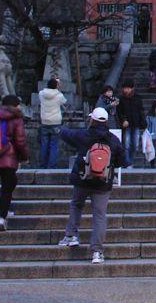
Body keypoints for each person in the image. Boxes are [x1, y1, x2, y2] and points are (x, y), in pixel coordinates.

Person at [57, 107, 126, 264]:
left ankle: (71, 235)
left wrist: (59, 128)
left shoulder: (84, 135)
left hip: (83, 179)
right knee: (100, 216)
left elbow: (68, 135)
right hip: (103, 184)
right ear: (106, 121)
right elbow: (123, 161)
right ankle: (97, 252)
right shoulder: (113, 139)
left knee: (76, 205)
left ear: (92, 120)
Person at [0, 94, 28, 231]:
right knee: (8, 187)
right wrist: (24, 156)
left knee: (9, 183)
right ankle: (2, 217)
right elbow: (20, 141)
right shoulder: (16, 119)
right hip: (9, 157)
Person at [116, 79, 147, 167]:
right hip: (126, 125)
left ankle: (131, 161)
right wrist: (123, 120)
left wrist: (143, 122)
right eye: (125, 88)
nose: (126, 90)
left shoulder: (137, 98)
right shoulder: (121, 99)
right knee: (126, 144)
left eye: (128, 88)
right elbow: (119, 112)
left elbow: (141, 110)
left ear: (132, 88)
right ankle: (127, 162)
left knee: (136, 145)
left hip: (136, 123)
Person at [38, 77, 67, 169]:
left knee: (44, 144)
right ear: (56, 86)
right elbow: (64, 102)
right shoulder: (59, 95)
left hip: (44, 121)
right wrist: (59, 89)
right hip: (55, 122)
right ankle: (52, 165)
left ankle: (43, 165)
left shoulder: (41, 94)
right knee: (54, 145)